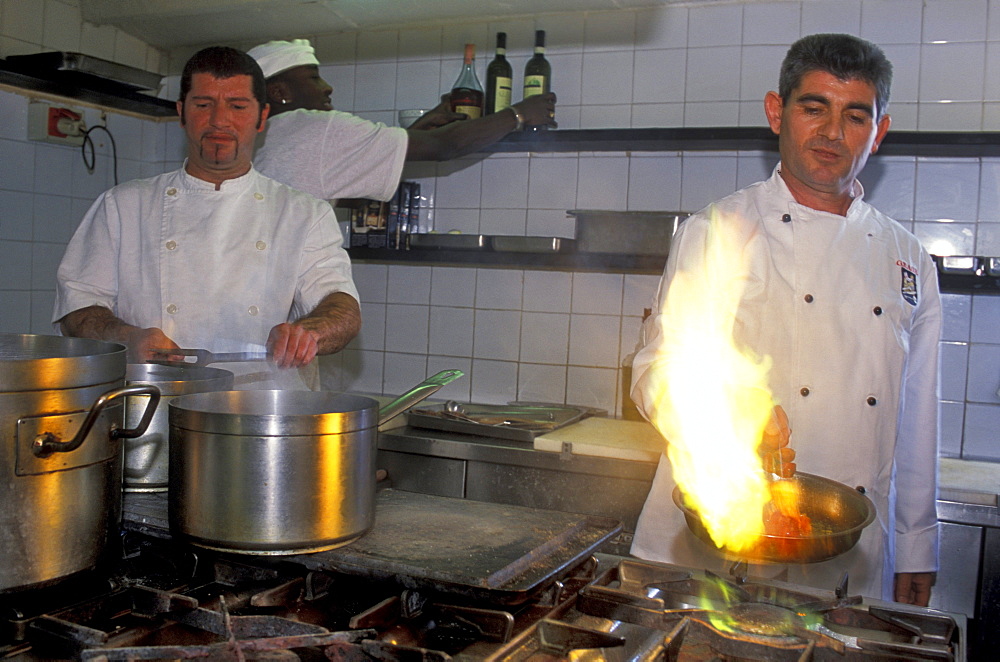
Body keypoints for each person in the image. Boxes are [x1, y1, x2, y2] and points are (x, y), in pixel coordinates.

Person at [630, 33, 940, 607]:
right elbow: (657, 370)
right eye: (813, 107)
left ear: (880, 131)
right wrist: (730, 414)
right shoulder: (720, 229)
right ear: (778, 112)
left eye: (855, 116)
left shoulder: (908, 258)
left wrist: (918, 545)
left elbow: (917, 417)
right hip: (718, 552)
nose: (831, 133)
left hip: (853, 556)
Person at [53, 46, 361, 390]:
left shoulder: (304, 213)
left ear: (262, 118)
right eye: (203, 105)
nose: (219, 120)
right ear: (182, 113)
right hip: (153, 408)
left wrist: (309, 333)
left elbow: (342, 307)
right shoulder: (123, 205)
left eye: (237, 106)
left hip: (264, 416)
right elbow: (77, 309)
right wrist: (126, 336)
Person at [247, 39, 557, 202]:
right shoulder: (312, 126)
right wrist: (518, 114)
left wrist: (411, 134)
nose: (327, 87)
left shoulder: (264, 138)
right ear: (280, 92)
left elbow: (339, 169)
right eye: (314, 79)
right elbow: (446, 145)